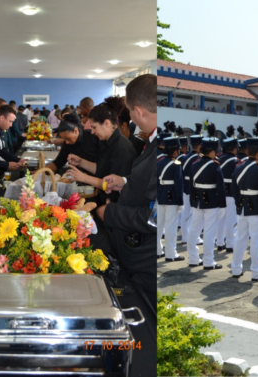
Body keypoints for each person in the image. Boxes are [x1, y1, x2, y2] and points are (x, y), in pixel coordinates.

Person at [98, 74, 160, 306]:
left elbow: (155, 218)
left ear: (138, 112)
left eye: (130, 113)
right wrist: (125, 181)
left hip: (145, 257)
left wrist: (110, 213)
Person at [65, 97, 135, 207]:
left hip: (114, 205)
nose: (92, 132)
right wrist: (81, 162)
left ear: (106, 123)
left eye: (94, 127)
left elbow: (113, 184)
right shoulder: (105, 141)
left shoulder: (122, 148)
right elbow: (101, 169)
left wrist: (84, 177)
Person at [230, 130, 258, 281]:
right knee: (256, 241)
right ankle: (257, 272)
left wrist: (238, 202)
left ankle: (235, 268)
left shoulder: (239, 166)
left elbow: (234, 188)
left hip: (242, 207)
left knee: (240, 238)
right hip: (255, 209)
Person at [186, 124, 226, 270]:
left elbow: (191, 185)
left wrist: (192, 201)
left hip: (197, 201)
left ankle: (193, 258)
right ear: (213, 151)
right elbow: (220, 188)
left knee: (194, 230)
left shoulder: (195, 164)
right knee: (209, 232)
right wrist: (223, 205)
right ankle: (208, 261)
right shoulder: (215, 166)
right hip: (212, 203)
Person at [156, 122, 184, 262]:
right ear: (174, 150)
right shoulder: (176, 163)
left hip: (160, 196)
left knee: (159, 225)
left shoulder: (159, 161)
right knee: (171, 227)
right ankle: (171, 253)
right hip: (172, 197)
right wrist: (180, 202)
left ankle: (158, 250)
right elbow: (178, 184)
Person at [215, 127, 241, 254]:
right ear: (234, 148)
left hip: (220, 192)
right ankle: (230, 244)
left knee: (221, 219)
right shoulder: (236, 161)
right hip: (230, 193)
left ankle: (220, 242)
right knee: (231, 220)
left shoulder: (219, 159)